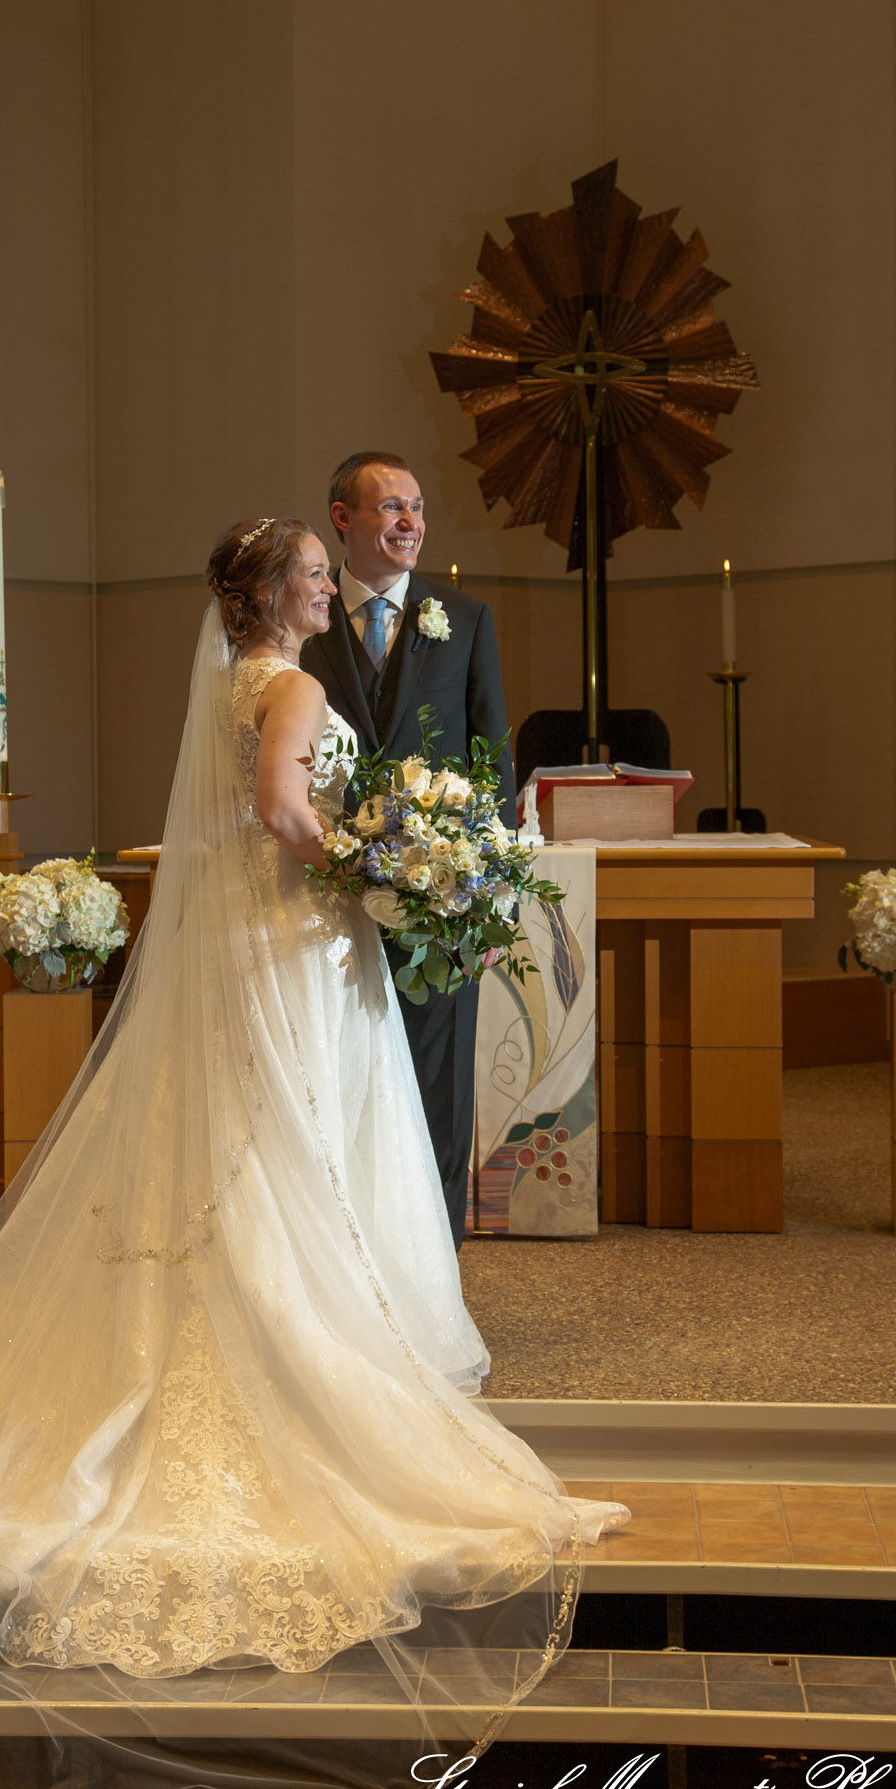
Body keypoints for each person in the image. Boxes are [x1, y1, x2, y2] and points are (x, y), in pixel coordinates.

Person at [0, 515, 625, 1789]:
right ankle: (301, 1359)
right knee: (292, 1157)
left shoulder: (231, 683)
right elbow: (285, 812)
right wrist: (394, 866)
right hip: (296, 948)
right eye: (314, 573)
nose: (333, 586)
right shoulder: (289, 686)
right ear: (267, 595)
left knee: (254, 1159)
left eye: (332, 573)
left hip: (260, 953)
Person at [306, 453, 514, 1249]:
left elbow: (491, 759)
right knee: (343, 1071)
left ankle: (434, 1257)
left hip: (437, 893)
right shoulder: (306, 621)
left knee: (436, 1078)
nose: (410, 522)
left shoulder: (464, 619)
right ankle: (345, 1254)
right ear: (342, 518)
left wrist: (477, 879)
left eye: (418, 508)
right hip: (326, 887)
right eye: (390, 506)